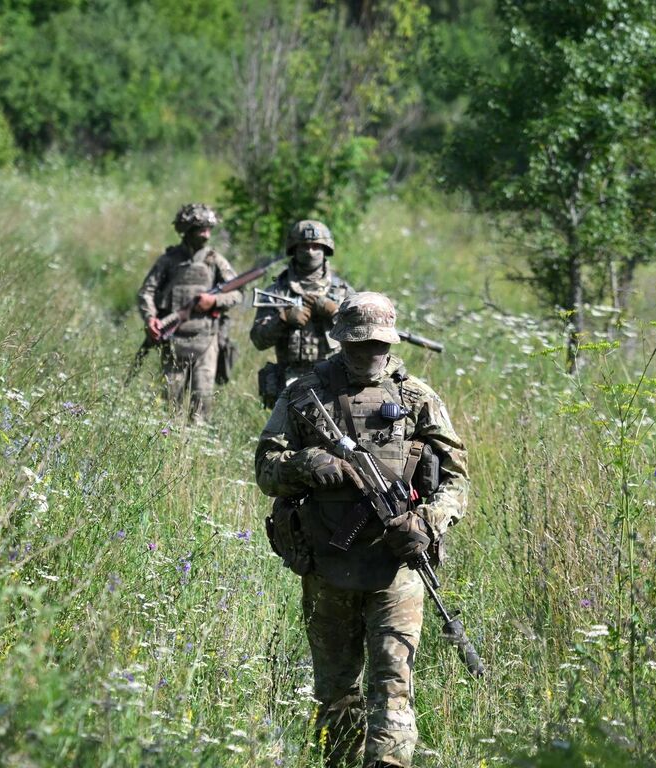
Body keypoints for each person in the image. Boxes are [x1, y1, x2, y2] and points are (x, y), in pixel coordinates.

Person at [254, 292, 470, 768]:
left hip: (398, 568)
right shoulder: (305, 394)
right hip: (328, 567)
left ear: (390, 343)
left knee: (393, 688)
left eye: (376, 346)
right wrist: (307, 461)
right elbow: (265, 468)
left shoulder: (416, 397)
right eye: (357, 345)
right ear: (340, 342)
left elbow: (457, 479)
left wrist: (428, 520)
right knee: (334, 693)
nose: (367, 355)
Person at [136, 203, 241, 424]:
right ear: (186, 230)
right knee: (169, 404)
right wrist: (151, 319)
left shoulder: (216, 261)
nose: (205, 232)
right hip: (173, 342)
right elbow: (146, 292)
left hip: (206, 341)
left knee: (202, 402)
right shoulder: (169, 260)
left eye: (208, 227)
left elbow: (237, 293)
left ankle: (194, 452)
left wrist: (215, 300)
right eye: (199, 227)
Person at [250, 219, 355, 408]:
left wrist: (335, 313)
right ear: (294, 249)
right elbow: (258, 340)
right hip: (289, 380)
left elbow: (361, 336)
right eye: (304, 246)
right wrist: (282, 319)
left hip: (335, 378)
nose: (310, 251)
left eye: (316, 246)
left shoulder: (343, 291)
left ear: (326, 249)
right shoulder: (276, 291)